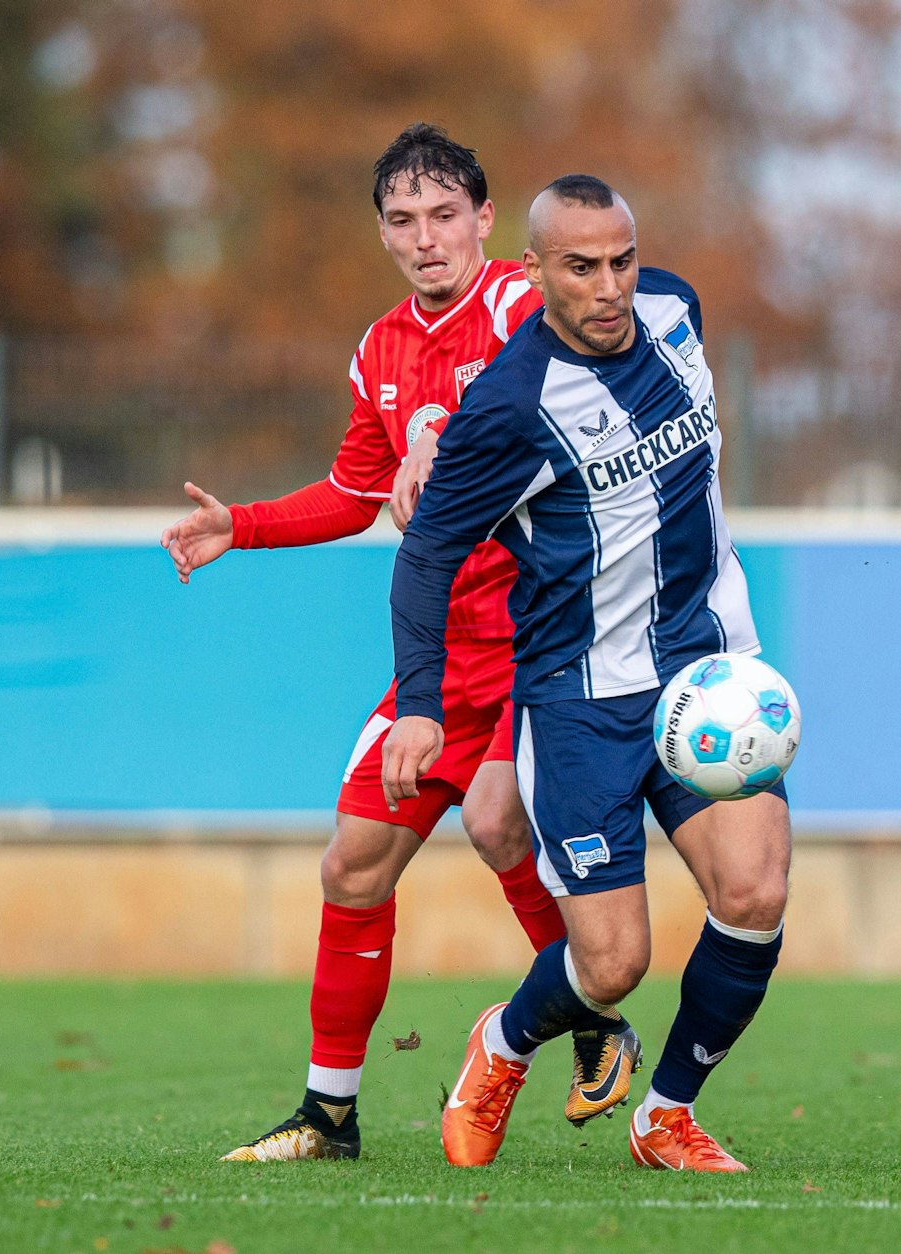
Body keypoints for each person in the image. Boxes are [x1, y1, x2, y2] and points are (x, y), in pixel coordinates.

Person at [162, 128, 639, 1163]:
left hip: (541, 640)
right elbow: (353, 490)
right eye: (401, 220)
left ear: (483, 218)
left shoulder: (522, 303)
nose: (424, 239)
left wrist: (446, 441)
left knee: (498, 819)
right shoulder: (378, 349)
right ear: (381, 233)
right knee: (352, 866)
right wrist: (235, 525)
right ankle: (329, 1114)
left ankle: (593, 1009)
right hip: (440, 655)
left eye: (442, 215)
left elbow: (569, 383)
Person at [384, 175, 792, 1173]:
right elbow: (425, 556)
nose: (608, 286)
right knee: (611, 965)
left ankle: (664, 1117)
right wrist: (423, 708)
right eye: (580, 267)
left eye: (620, 260)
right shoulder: (511, 408)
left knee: (752, 893)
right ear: (533, 273)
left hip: (705, 673)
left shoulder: (674, 311)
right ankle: (504, 1041)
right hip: (577, 703)